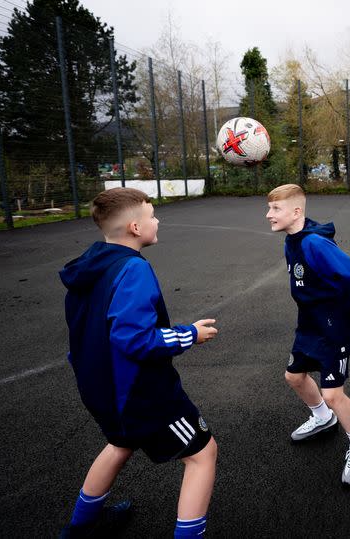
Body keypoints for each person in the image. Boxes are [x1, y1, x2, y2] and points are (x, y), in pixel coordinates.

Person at [59, 187, 219, 538]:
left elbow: (84, 330)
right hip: (138, 392)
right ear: (134, 227)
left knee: (120, 444)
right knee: (203, 453)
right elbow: (136, 340)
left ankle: (81, 527)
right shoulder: (133, 269)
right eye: (151, 215)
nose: (156, 220)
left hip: (99, 386)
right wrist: (190, 333)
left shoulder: (90, 265)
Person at [266, 183, 350, 485]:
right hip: (310, 322)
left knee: (333, 393)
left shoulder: (314, 244)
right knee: (294, 376)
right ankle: (323, 418)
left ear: (296, 212)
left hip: (334, 325)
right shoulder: (292, 240)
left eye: (276, 209)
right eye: (270, 208)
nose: (268, 215)